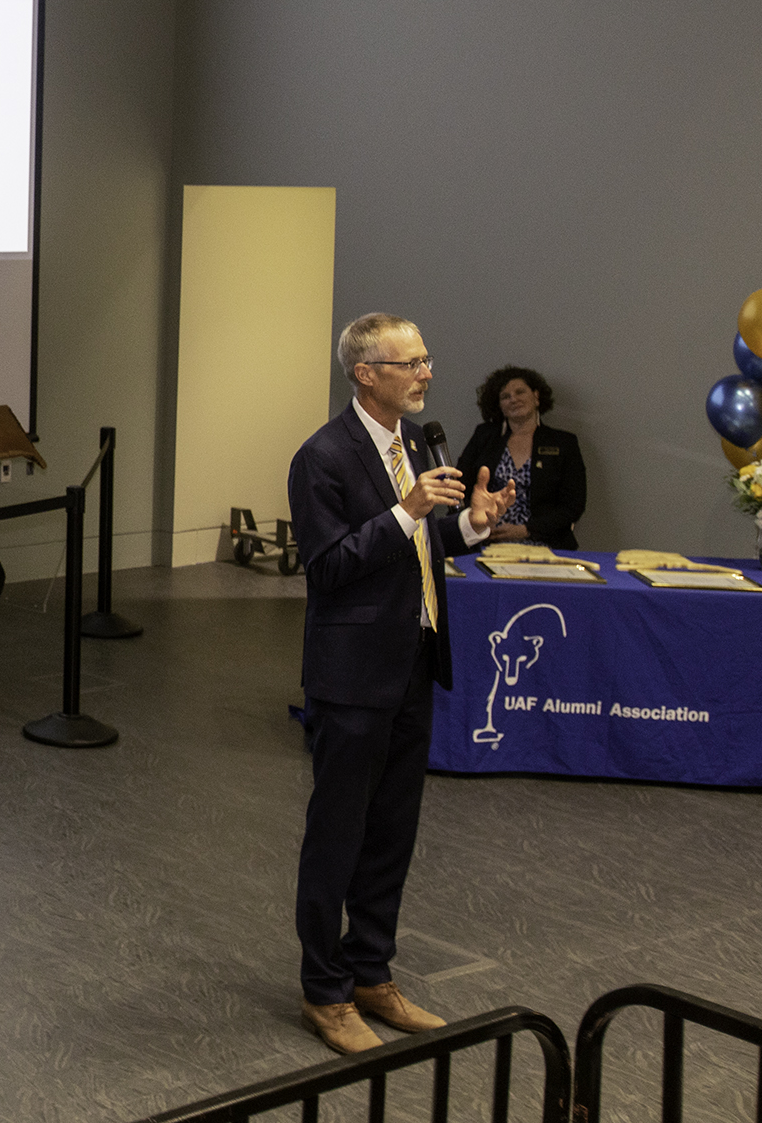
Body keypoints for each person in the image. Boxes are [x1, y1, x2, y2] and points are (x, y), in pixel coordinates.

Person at [286, 314, 516, 1055]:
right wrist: (407, 509)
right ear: (366, 374)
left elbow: (423, 542)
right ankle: (324, 991)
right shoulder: (321, 456)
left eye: (425, 359)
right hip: (352, 673)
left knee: (392, 832)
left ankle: (370, 971)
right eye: (410, 362)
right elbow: (328, 568)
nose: (424, 373)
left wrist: (471, 525)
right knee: (339, 834)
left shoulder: (414, 442)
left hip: (413, 660)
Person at [455, 366, 587, 550]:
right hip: (486, 542)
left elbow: (573, 506)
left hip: (545, 545)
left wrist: (527, 530)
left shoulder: (563, 443)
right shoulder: (484, 437)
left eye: (520, 392)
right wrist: (477, 524)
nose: (513, 399)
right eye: (505, 397)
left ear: (536, 397)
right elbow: (459, 487)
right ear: (499, 405)